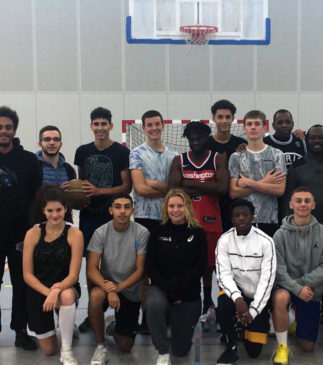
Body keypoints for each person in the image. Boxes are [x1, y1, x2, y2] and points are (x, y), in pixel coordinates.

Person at [0, 106, 42, 354]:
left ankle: (21, 331)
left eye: (8, 127)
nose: (4, 131)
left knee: (22, 282)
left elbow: (35, 193)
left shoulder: (29, 161)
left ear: (14, 130)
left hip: (20, 231)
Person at [282, 124, 323, 332]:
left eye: (321, 138)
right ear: (306, 141)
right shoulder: (297, 168)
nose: (317, 142)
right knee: (300, 270)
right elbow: (288, 201)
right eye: (313, 139)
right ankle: (300, 310)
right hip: (301, 232)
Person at [74, 107, 131, 333]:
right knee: (91, 266)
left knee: (118, 264)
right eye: (96, 124)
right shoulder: (82, 151)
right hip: (88, 217)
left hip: (113, 216)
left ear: (110, 126)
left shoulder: (121, 152)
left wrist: (100, 192)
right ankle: (93, 312)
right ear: (91, 126)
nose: (100, 128)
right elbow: (81, 183)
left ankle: (120, 313)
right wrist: (80, 197)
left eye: (103, 124)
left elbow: (127, 186)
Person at [169, 121, 229, 319]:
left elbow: (222, 188)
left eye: (199, 138)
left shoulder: (218, 159)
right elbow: (174, 190)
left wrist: (190, 182)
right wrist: (206, 184)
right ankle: (192, 301)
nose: (195, 141)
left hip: (211, 220)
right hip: (185, 223)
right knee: (187, 265)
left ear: (207, 137)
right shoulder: (179, 160)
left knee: (212, 265)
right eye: (191, 138)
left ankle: (212, 301)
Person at [272, 187, 323, 365]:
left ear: (313, 205)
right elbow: (278, 269)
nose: (303, 204)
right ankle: (282, 347)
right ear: (291, 204)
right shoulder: (280, 235)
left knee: (308, 347)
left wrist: (301, 287)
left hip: (311, 291)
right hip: (288, 287)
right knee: (280, 297)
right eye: (298, 200)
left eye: (307, 201)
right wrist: (296, 288)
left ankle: (294, 320)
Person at [145, 189, 206, 365]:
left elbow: (199, 268)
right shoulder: (157, 233)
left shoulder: (198, 233)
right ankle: (162, 352)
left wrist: (177, 292)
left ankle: (174, 322)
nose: (176, 210)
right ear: (166, 208)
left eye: (180, 205)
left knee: (180, 350)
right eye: (171, 206)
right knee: (154, 303)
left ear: (187, 207)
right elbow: (151, 268)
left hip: (189, 293)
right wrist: (171, 293)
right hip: (162, 289)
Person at [22, 186, 83, 365]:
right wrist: (48, 292)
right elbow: (27, 274)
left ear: (65, 209)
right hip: (39, 289)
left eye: (59, 210)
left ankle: (67, 350)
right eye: (50, 210)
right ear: (43, 211)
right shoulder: (32, 233)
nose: (55, 215)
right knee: (49, 350)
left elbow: (73, 275)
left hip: (65, 286)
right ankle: (62, 325)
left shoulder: (75, 234)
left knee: (65, 297)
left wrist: (56, 290)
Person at [85, 194, 149, 365]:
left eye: (127, 207)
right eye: (118, 207)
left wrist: (118, 289)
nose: (122, 211)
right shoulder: (101, 232)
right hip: (106, 287)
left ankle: (112, 325)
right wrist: (110, 289)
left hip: (128, 289)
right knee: (96, 297)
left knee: (125, 346)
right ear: (110, 210)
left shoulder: (142, 233)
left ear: (132, 210)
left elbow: (141, 270)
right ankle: (100, 346)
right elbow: (91, 268)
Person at [130, 110, 178, 334]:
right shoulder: (136, 153)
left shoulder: (174, 155)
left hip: (169, 218)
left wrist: (154, 183)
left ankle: (166, 313)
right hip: (144, 217)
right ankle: (146, 317)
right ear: (144, 128)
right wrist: (165, 187)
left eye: (157, 124)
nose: (154, 128)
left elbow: (177, 191)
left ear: (163, 125)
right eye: (149, 125)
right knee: (144, 271)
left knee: (168, 267)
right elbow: (139, 188)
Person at [215, 199, 277, 365]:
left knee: (254, 352)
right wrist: (238, 299)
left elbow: (267, 280)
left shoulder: (266, 241)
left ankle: (242, 326)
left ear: (252, 217)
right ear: (232, 219)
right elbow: (223, 275)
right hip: (237, 296)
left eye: (245, 214)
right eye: (237, 215)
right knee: (224, 303)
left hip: (257, 298)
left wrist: (254, 310)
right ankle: (231, 347)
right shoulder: (224, 240)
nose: (241, 218)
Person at [228, 110, 286, 237]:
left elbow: (279, 190)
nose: (253, 127)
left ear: (264, 127)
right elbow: (233, 192)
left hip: (269, 219)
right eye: (249, 124)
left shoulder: (277, 154)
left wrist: (248, 183)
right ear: (244, 128)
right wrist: (265, 183)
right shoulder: (236, 157)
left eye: (257, 124)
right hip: (243, 220)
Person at [206, 99, 247, 232]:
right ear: (213, 118)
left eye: (227, 117)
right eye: (220, 117)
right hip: (213, 200)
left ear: (233, 119)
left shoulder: (242, 144)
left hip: (236, 200)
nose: (224, 120)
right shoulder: (205, 145)